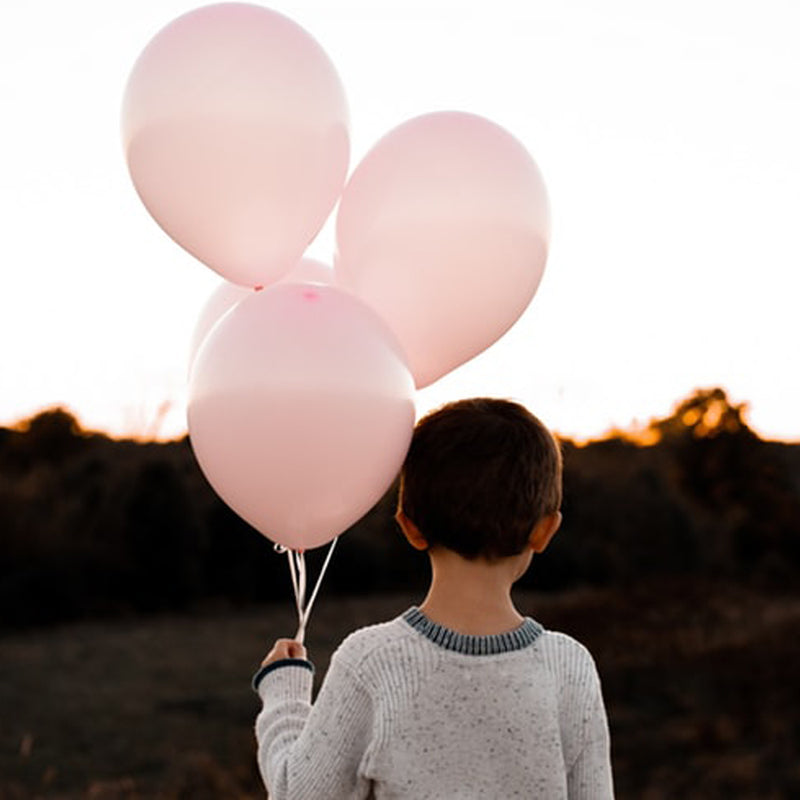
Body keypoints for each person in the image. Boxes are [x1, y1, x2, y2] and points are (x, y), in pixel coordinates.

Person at [253, 398, 614, 799]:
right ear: (545, 530)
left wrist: (285, 696)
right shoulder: (570, 668)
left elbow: (297, 794)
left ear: (409, 527)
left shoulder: (371, 662)